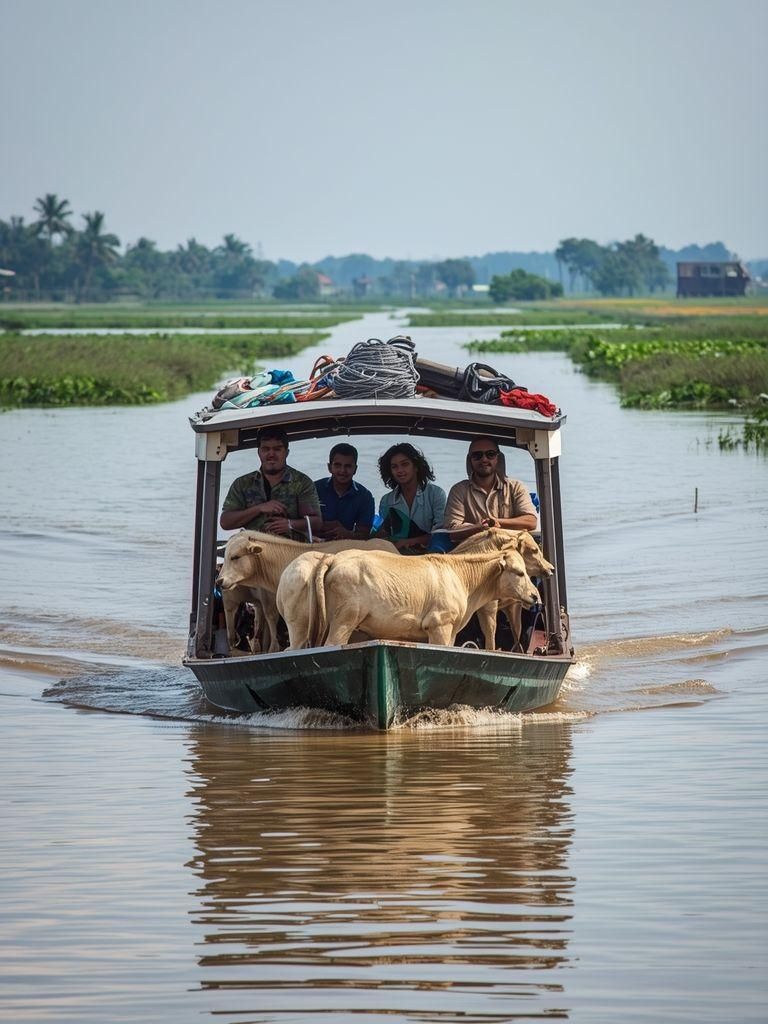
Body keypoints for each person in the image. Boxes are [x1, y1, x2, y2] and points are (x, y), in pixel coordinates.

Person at [219, 426, 322, 538]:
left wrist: (290, 524)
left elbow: (316, 522)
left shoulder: (302, 482)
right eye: (266, 449)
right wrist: (259, 508)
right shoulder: (242, 484)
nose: (271, 454)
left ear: (286, 452)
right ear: (259, 452)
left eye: (277, 449)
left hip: (292, 546)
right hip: (253, 546)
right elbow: (225, 522)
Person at [443, 436, 538, 540]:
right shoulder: (458, 490)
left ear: (498, 458)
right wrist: (478, 528)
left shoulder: (516, 487)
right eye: (477, 455)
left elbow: (531, 522)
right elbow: (452, 531)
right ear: (470, 460)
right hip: (472, 546)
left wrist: (496, 522)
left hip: (511, 545)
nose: (484, 459)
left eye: (490, 454)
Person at [376, 442, 446, 553]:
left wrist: (409, 542)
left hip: (430, 554)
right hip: (396, 554)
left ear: (416, 466)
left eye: (405, 464)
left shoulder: (436, 494)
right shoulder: (386, 501)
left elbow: (441, 534)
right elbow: (386, 533)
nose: (400, 470)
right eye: (394, 467)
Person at [313, 443, 375, 540]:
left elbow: (364, 535)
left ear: (355, 469)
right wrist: (320, 525)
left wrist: (347, 534)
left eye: (348, 466)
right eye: (337, 465)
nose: (342, 470)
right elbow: (301, 523)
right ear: (329, 467)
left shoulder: (365, 496)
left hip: (348, 546)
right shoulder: (314, 489)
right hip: (314, 544)